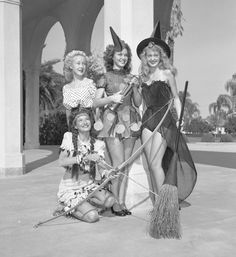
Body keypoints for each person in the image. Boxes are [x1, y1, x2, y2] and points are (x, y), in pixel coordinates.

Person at [136, 21, 197, 204]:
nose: (153, 58)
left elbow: (176, 98)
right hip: (148, 120)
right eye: (149, 55)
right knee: (151, 165)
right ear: (145, 57)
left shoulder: (167, 74)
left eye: (156, 55)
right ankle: (158, 203)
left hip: (164, 121)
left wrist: (180, 120)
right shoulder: (142, 77)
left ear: (161, 56)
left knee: (156, 164)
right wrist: (135, 89)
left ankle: (166, 205)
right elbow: (139, 102)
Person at [93, 27, 142, 216]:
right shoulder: (104, 77)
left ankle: (120, 202)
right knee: (118, 164)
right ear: (112, 56)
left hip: (130, 120)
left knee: (126, 166)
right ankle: (114, 203)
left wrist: (137, 88)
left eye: (125, 55)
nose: (123, 58)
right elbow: (95, 102)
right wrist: (111, 99)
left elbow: (137, 103)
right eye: (119, 54)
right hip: (112, 120)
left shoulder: (132, 77)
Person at [55, 108, 115, 222]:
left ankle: (85, 204)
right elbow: (61, 161)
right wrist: (84, 157)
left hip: (88, 185)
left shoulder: (98, 144)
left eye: (87, 119)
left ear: (91, 122)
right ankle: (67, 208)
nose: (85, 122)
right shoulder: (69, 138)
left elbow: (101, 168)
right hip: (71, 188)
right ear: (75, 126)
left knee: (110, 201)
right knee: (93, 217)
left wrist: (108, 173)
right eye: (80, 120)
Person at [62, 50, 97, 128]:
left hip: (89, 124)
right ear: (71, 66)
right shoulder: (66, 88)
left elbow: (96, 108)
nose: (81, 66)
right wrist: (70, 130)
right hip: (75, 127)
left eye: (83, 64)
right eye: (78, 63)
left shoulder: (90, 84)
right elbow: (68, 113)